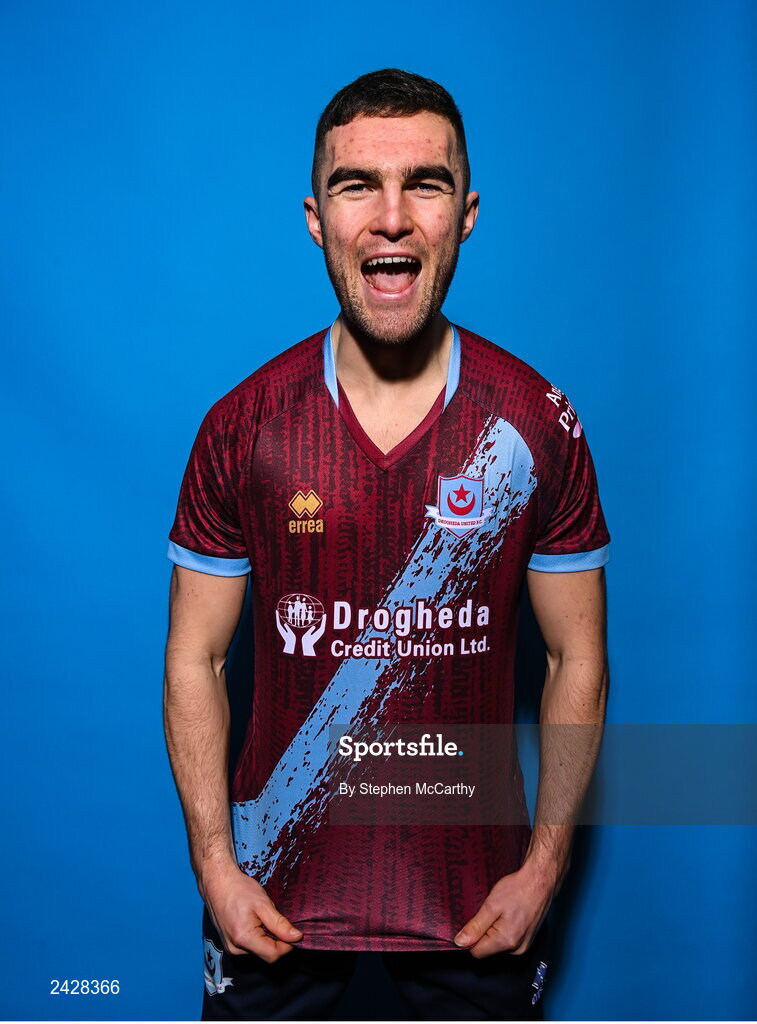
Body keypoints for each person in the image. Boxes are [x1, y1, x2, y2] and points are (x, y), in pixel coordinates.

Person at [164, 68, 610, 1021]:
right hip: (271, 904)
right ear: (316, 216)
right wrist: (213, 864)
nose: (392, 217)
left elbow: (577, 657)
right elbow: (195, 659)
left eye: (427, 183)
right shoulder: (244, 425)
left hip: (473, 905)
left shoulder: (534, 425)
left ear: (468, 212)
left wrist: (545, 867)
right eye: (357, 183)